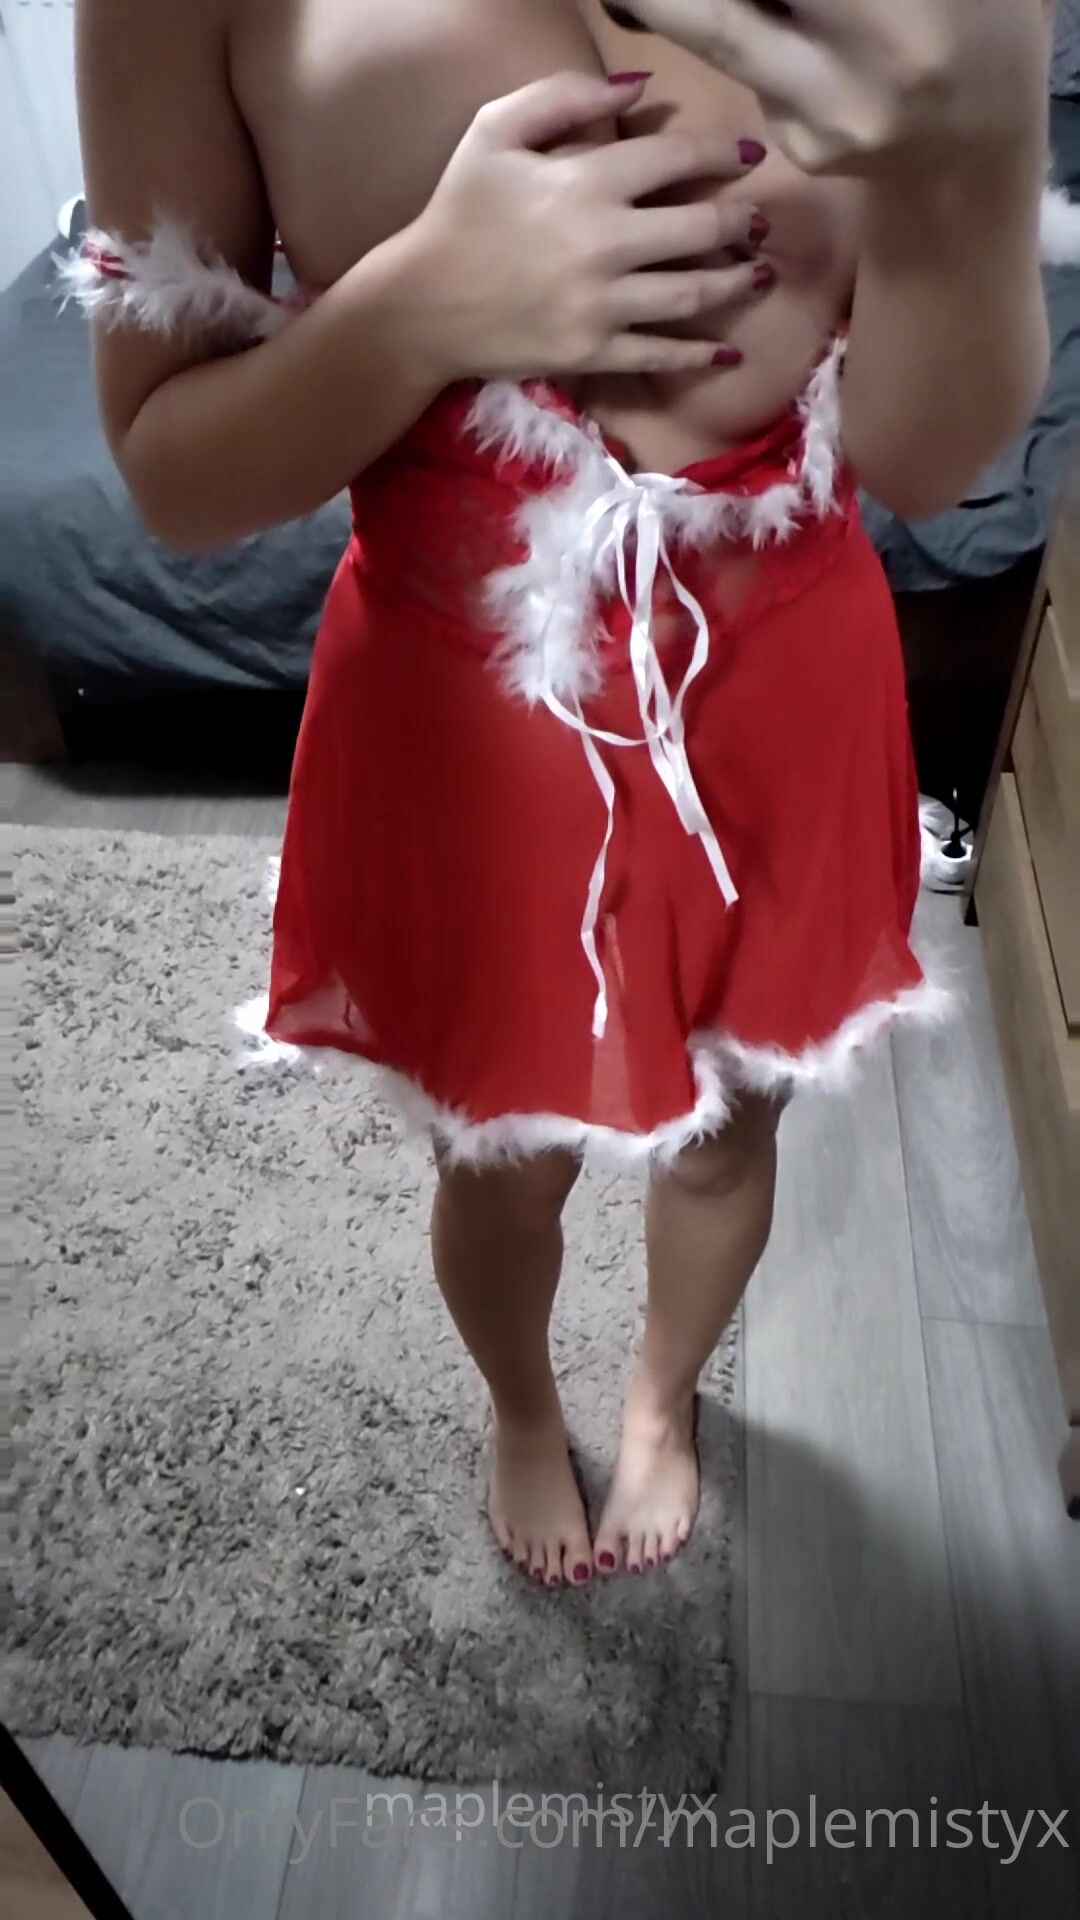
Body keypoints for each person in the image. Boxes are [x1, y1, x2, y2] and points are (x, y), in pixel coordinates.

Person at [74, 0, 1051, 1589]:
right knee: (500, 1161)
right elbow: (174, 474)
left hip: (782, 685)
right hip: (466, 720)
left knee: (728, 1136)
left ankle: (663, 1398)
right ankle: (523, 1409)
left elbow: (930, 468)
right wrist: (420, 307)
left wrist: (984, 148)